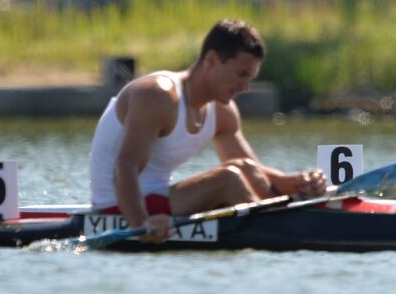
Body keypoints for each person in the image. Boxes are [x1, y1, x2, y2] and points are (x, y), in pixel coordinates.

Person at [88, 18, 327, 243]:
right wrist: (141, 225)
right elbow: (124, 168)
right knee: (228, 179)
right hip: (119, 205)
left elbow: (252, 171)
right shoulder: (158, 95)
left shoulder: (223, 111)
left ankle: (292, 216)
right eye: (241, 74)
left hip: (160, 199)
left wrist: (294, 182)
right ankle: (284, 233)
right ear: (212, 60)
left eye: (251, 77)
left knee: (245, 168)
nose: (246, 88)